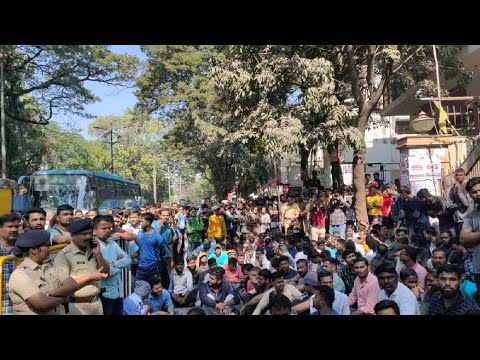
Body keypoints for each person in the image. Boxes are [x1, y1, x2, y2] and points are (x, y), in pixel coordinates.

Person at [8, 230, 107, 315]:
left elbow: (72, 285)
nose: (49, 248)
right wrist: (65, 297)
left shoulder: (50, 265)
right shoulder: (20, 275)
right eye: (46, 245)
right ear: (34, 250)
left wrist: (49, 295)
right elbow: (43, 304)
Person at [53, 219, 110, 315]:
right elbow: (64, 286)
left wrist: (98, 254)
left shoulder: (93, 250)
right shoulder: (64, 256)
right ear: (73, 236)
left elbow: (106, 273)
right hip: (77, 306)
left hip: (96, 304)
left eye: (89, 233)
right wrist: (91, 277)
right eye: (84, 234)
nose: (88, 237)